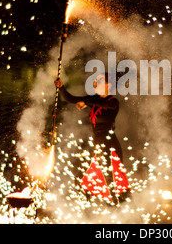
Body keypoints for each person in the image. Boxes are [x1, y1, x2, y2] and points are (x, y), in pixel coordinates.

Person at [54, 73, 130, 204]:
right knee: (89, 174)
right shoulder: (94, 100)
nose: (95, 83)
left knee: (109, 174)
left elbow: (103, 104)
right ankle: (100, 203)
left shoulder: (113, 102)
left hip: (109, 142)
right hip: (97, 142)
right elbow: (71, 99)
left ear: (108, 85)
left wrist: (86, 101)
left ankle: (116, 202)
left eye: (99, 81)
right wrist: (62, 88)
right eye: (95, 81)